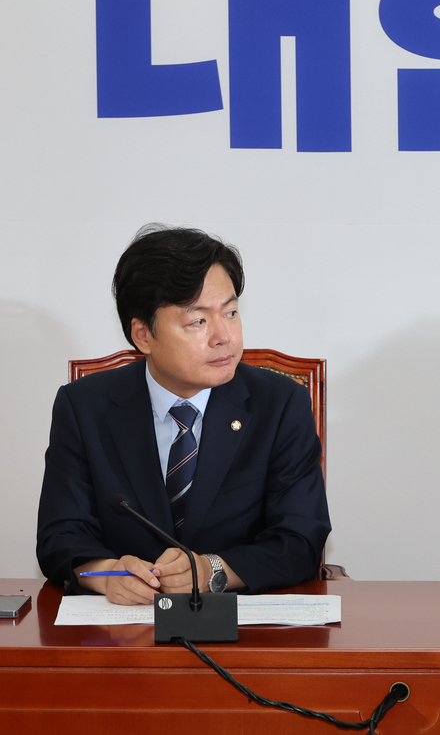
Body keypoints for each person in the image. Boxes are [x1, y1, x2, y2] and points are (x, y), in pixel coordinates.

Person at [37, 225, 331, 603]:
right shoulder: (84, 407)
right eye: (198, 321)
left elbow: (301, 539)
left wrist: (214, 570)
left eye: (231, 312)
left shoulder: (279, 404)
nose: (224, 336)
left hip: (246, 634)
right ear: (143, 335)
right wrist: (106, 574)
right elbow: (60, 537)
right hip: (126, 636)